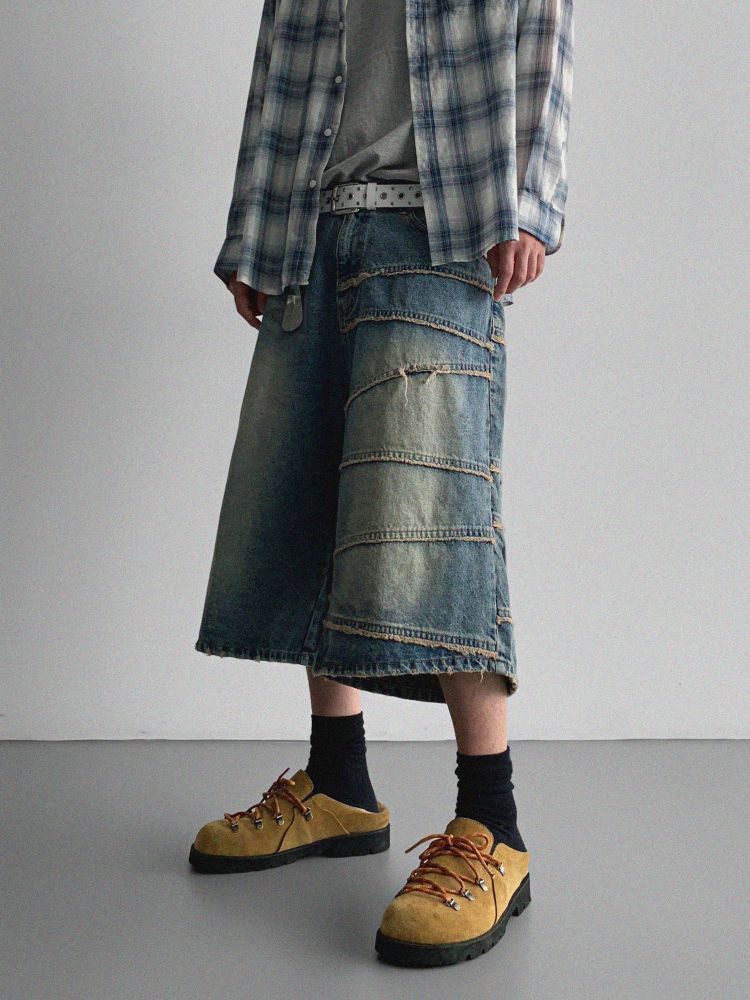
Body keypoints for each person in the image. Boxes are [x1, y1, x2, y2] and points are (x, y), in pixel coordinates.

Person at [190, 0, 573, 967]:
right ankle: (339, 784)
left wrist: (530, 202)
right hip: (313, 226)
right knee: (318, 503)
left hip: (444, 225)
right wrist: (255, 228)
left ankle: (493, 825)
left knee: (437, 516)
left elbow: (544, 37)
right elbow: (281, 62)